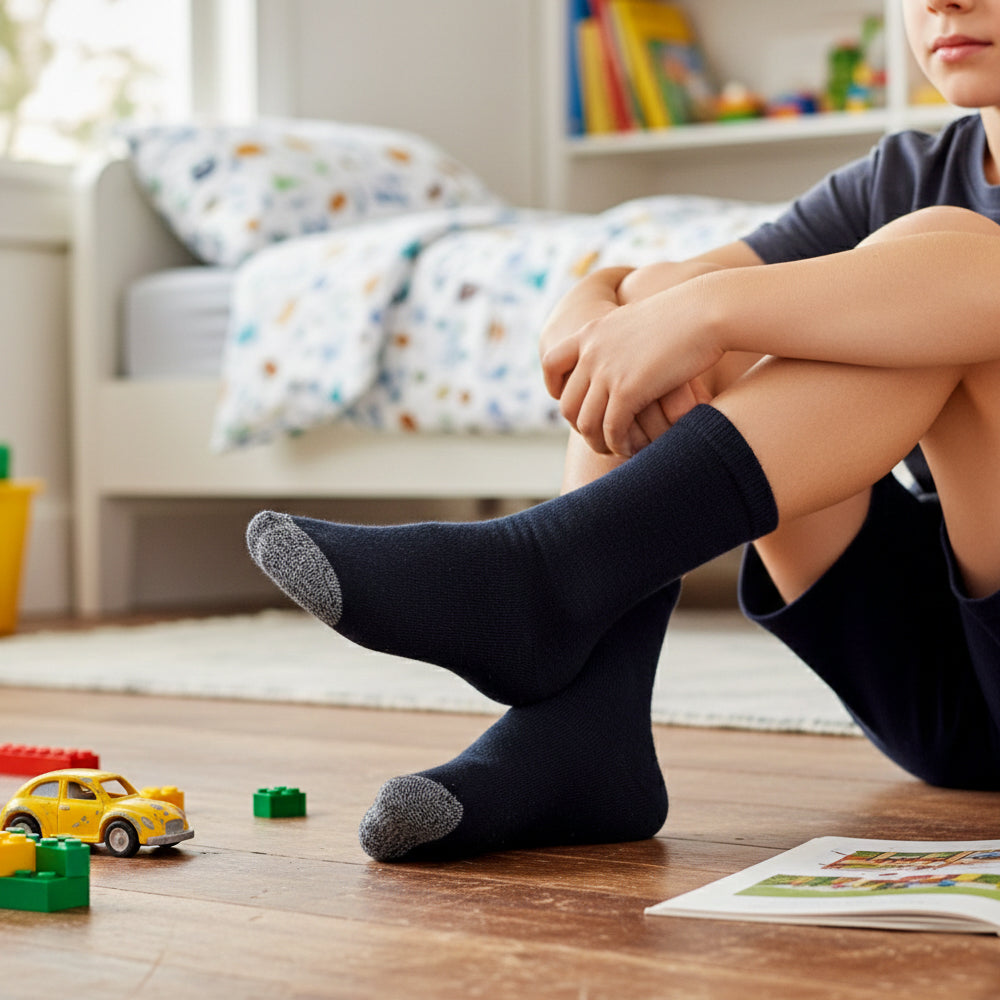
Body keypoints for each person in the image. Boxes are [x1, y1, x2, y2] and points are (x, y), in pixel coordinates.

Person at [248, 0, 1000, 861]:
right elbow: (658, 296)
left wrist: (711, 310)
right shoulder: (903, 170)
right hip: (929, 683)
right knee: (669, 327)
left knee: (950, 258)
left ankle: (550, 571)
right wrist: (601, 296)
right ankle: (583, 732)